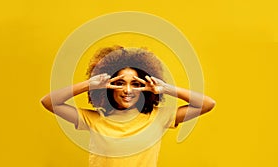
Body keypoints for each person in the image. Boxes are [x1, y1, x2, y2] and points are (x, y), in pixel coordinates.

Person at [41, 46, 216, 167]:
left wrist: (165, 89)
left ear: (143, 89)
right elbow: (49, 102)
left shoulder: (158, 117)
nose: (127, 90)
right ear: (109, 87)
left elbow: (207, 104)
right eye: (120, 83)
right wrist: (89, 84)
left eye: (135, 84)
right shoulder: (94, 119)